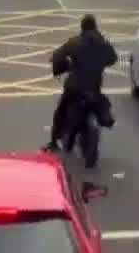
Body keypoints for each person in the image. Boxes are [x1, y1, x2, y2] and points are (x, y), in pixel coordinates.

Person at [44, 14, 119, 160]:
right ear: (95, 27)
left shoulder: (75, 42)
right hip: (94, 88)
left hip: (74, 88)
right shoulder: (103, 43)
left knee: (60, 112)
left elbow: (57, 56)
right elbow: (113, 58)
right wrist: (100, 63)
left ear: (82, 28)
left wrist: (61, 68)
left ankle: (53, 142)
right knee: (101, 103)